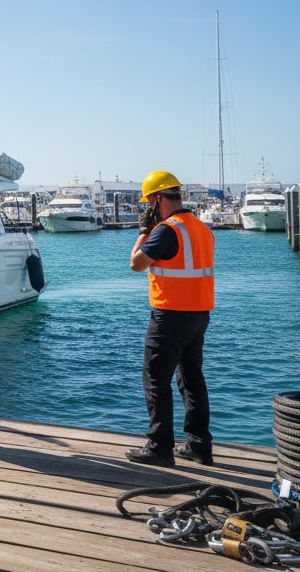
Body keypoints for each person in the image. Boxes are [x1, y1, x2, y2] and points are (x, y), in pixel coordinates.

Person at [126, 170, 216, 467]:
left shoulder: (166, 230)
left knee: (155, 378)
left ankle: (159, 446)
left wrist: (143, 230)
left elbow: (136, 263)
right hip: (199, 313)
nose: (147, 209)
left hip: (170, 314)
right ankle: (199, 445)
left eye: (148, 203)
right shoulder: (201, 228)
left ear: (157, 199)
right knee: (191, 377)